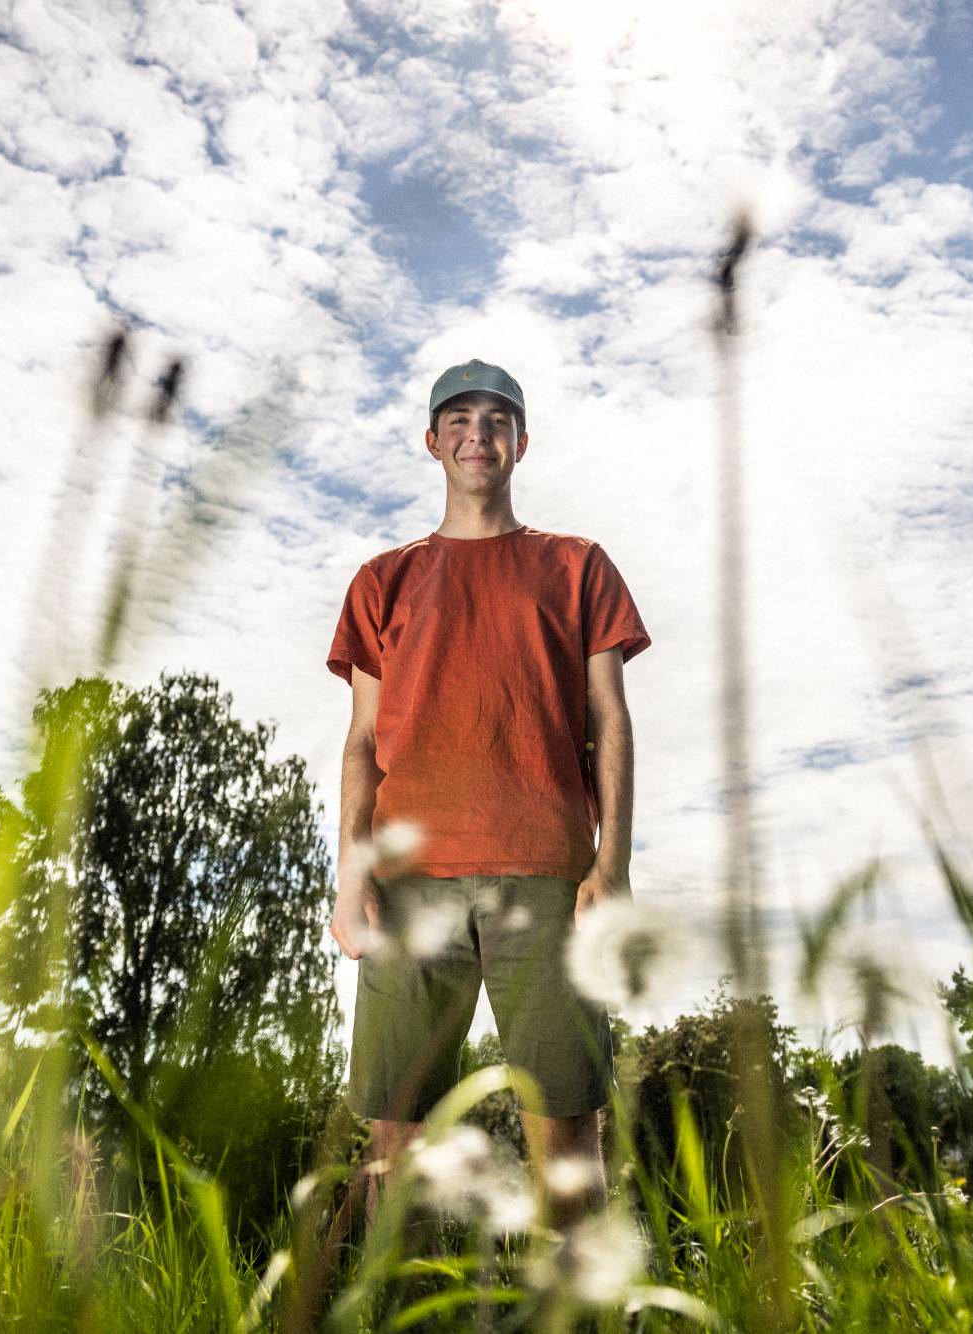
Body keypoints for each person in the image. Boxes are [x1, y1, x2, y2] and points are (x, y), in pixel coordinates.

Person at [325, 358, 649, 1231]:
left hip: (546, 874)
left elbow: (610, 721)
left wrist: (610, 864)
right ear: (433, 442)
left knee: (570, 1143)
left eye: (497, 419)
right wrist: (351, 874)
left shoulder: (578, 566)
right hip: (408, 882)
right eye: (459, 419)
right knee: (394, 1143)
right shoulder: (381, 582)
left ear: (520, 443)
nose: (478, 433)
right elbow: (362, 741)